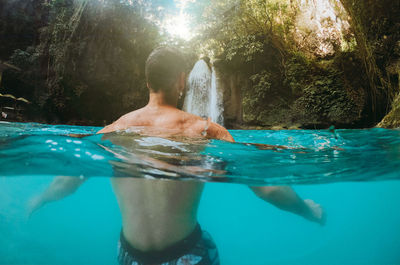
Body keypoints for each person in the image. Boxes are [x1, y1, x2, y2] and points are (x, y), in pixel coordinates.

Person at [28, 47, 326, 265]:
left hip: (128, 256)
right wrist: (306, 210)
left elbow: (66, 183)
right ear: (182, 80)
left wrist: (38, 200)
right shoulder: (204, 130)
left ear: (147, 83)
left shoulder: (112, 130)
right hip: (187, 256)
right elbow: (267, 187)